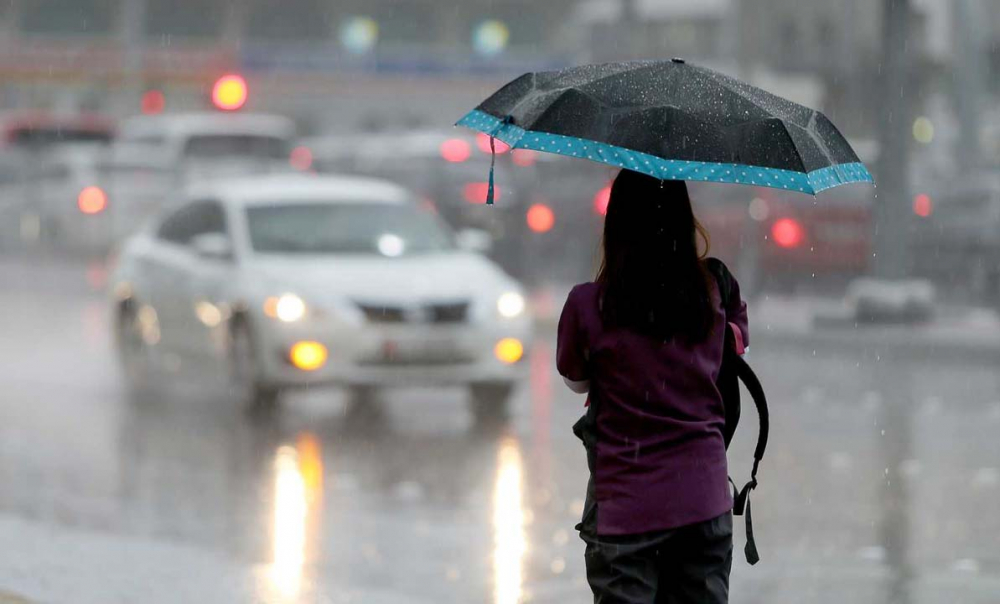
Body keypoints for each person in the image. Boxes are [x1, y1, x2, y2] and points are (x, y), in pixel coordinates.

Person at [557, 169, 749, 604]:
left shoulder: (589, 305)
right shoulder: (714, 290)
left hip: (627, 509)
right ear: (685, 220)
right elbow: (734, 346)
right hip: (703, 502)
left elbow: (575, 378)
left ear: (616, 223)